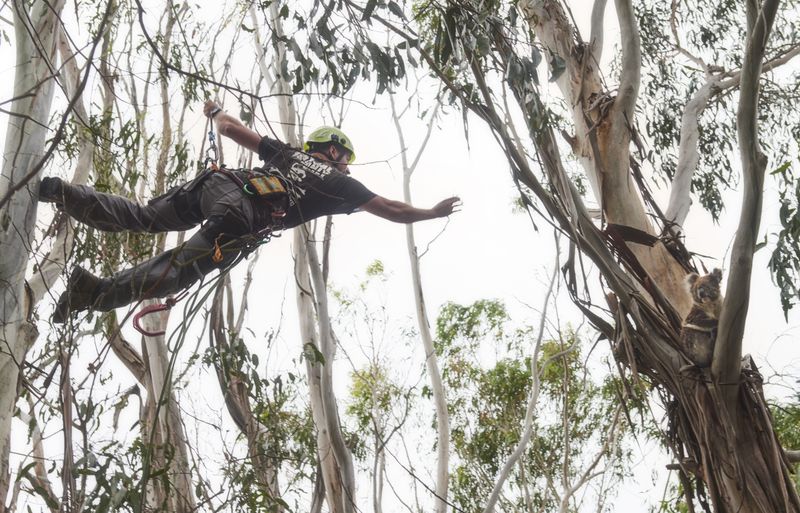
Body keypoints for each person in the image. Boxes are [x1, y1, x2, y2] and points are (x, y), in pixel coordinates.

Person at [39, 100, 460, 323]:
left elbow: (230, 130)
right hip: (242, 215)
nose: (348, 164)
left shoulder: (289, 154)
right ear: (333, 151)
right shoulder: (338, 183)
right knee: (176, 270)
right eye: (345, 156)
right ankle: (90, 293)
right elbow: (389, 207)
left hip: (217, 184)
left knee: (143, 216)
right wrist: (430, 212)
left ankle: (63, 193)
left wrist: (216, 111)